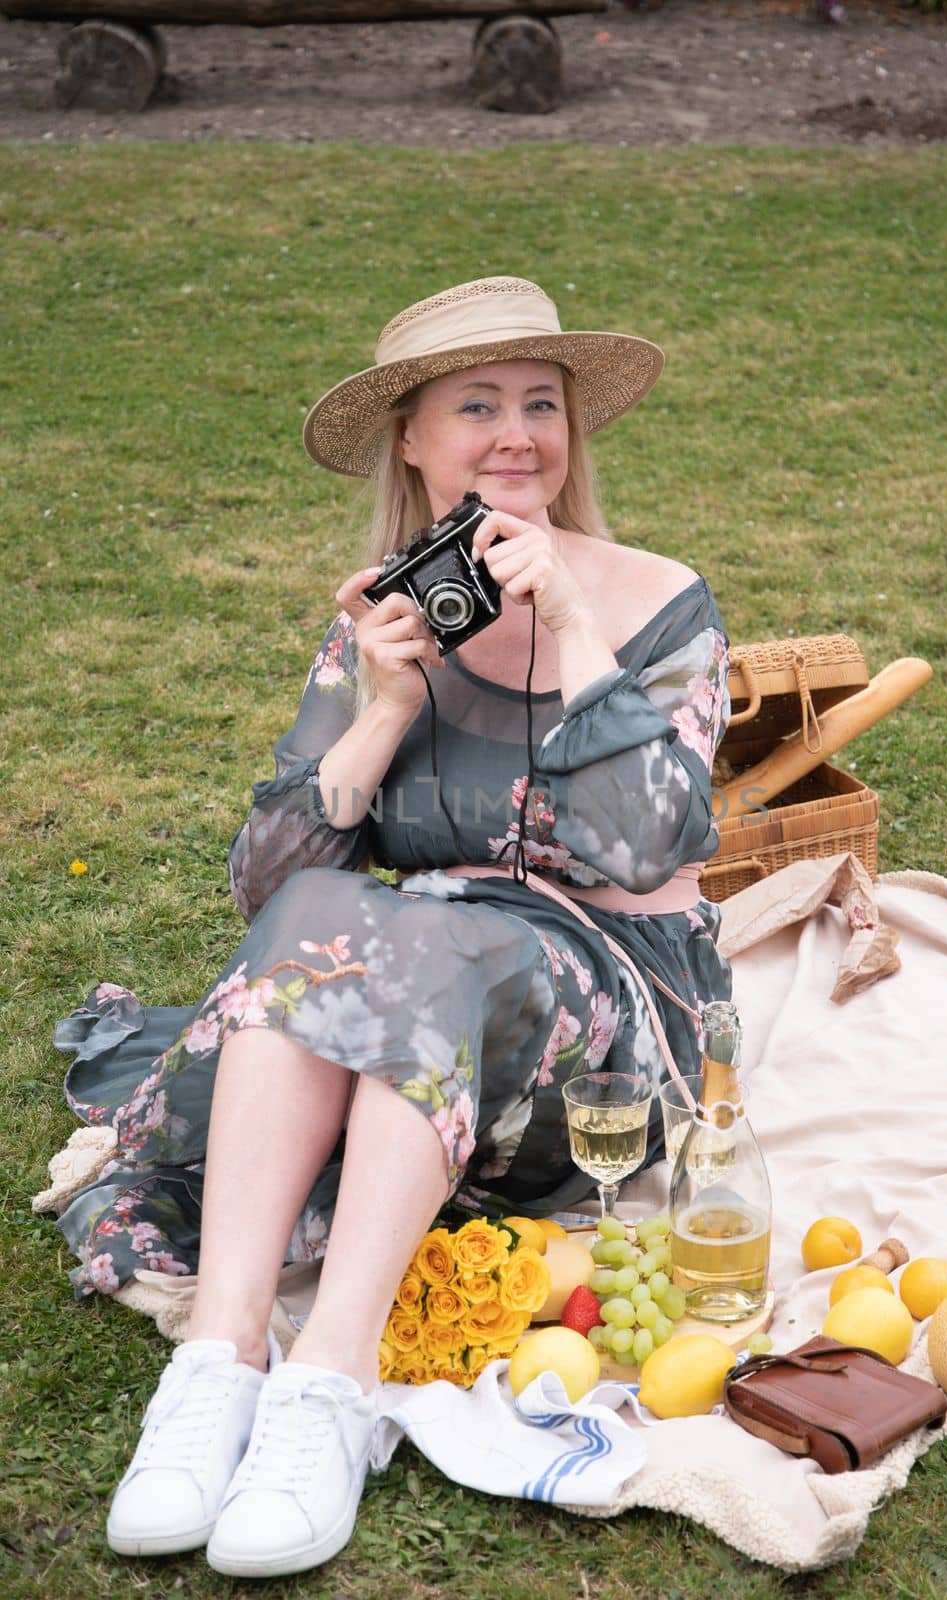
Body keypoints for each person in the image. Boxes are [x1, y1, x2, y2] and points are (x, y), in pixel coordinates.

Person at [50, 275, 732, 1578]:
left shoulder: (655, 604)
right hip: (416, 1004)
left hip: (605, 1044)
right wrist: (375, 707)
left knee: (425, 931)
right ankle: (222, 1359)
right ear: (412, 443)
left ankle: (332, 1380)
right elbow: (271, 893)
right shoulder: (388, 621)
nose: (516, 434)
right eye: (476, 405)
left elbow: (655, 841)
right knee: (331, 907)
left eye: (543, 403)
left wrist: (575, 630)